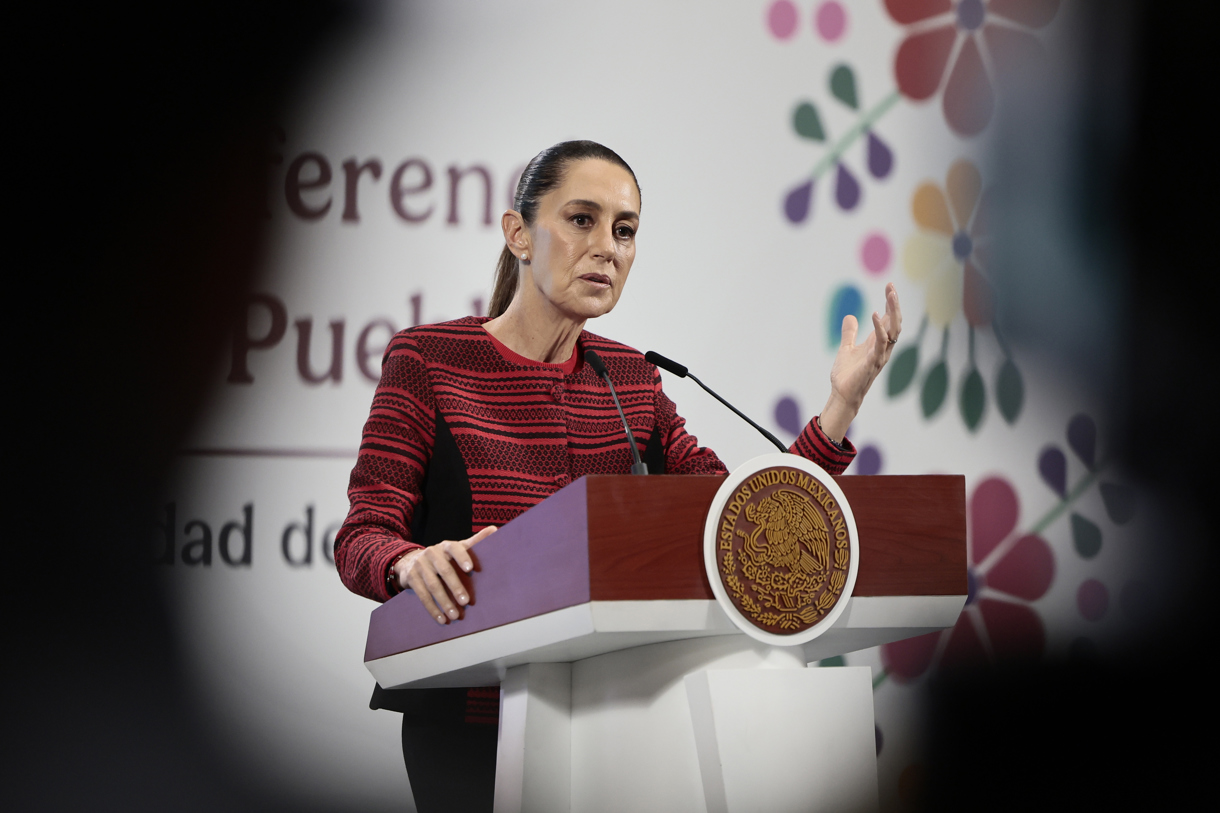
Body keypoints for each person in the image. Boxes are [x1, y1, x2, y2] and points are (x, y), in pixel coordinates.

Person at [333, 140, 902, 812]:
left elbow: (742, 526)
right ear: (518, 233)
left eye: (625, 229)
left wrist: (840, 408)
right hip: (471, 719)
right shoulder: (429, 359)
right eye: (582, 220)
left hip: (611, 721)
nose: (607, 246)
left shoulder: (631, 380)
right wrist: (410, 562)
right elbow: (364, 535)